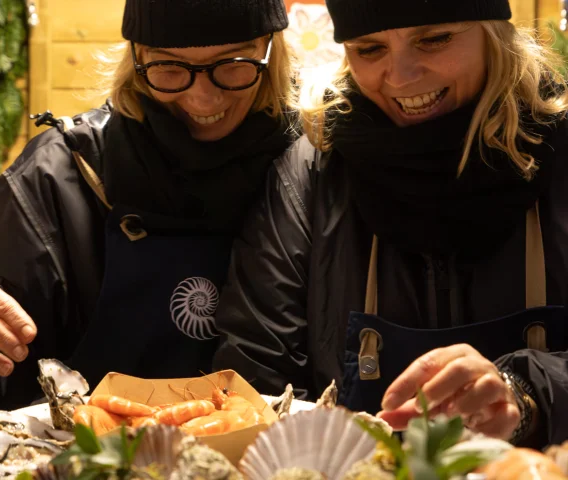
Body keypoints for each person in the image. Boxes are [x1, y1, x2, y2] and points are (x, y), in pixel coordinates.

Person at [213, 0, 568, 449]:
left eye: (434, 39)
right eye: (369, 48)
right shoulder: (309, 175)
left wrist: (531, 393)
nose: (400, 77)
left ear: (493, 32)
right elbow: (255, 373)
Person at [0, 0, 294, 434]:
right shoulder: (60, 175)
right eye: (170, 67)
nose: (202, 97)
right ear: (136, 58)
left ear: (271, 52)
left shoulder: (309, 169)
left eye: (232, 63)